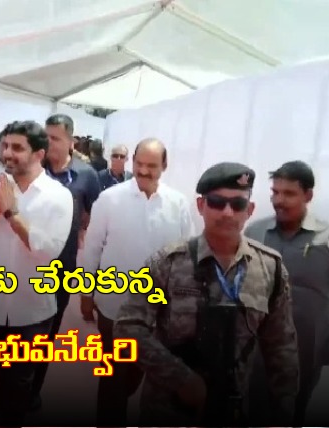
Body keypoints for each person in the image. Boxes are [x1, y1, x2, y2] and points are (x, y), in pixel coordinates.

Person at [114, 162, 299, 426]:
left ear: (250, 210)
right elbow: (127, 328)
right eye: (216, 202)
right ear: (201, 206)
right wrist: (181, 379)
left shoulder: (270, 267)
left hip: (232, 409)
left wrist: (284, 411)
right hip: (167, 408)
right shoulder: (167, 262)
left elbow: (282, 347)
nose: (227, 212)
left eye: (237, 204)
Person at [0, 120, 74, 427]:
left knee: (16, 394)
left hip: (30, 314)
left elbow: (48, 252)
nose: (8, 153)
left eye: (18, 148)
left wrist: (11, 213)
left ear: (39, 154)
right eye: (6, 146)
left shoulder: (58, 196)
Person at [79, 138, 194, 426]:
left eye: (151, 166)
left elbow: (186, 254)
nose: (143, 171)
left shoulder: (177, 203)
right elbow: (93, 246)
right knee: (112, 379)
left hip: (158, 311)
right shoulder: (110, 199)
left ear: (164, 167)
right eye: (139, 164)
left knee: (138, 375)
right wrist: (85, 292)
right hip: (114, 306)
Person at [245, 160, 329, 424]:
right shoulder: (256, 232)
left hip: (305, 350)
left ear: (308, 195)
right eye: (275, 192)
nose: (279, 200)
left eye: (288, 193)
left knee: (291, 412)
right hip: (257, 347)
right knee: (252, 408)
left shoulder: (325, 239)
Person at [29, 113, 100, 412]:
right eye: (46, 137)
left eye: (55, 138)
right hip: (26, 262)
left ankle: (32, 390)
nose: (49, 143)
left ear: (71, 141)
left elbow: (94, 216)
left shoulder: (86, 176)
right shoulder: (33, 169)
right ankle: (13, 381)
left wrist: (80, 234)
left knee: (46, 333)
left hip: (61, 266)